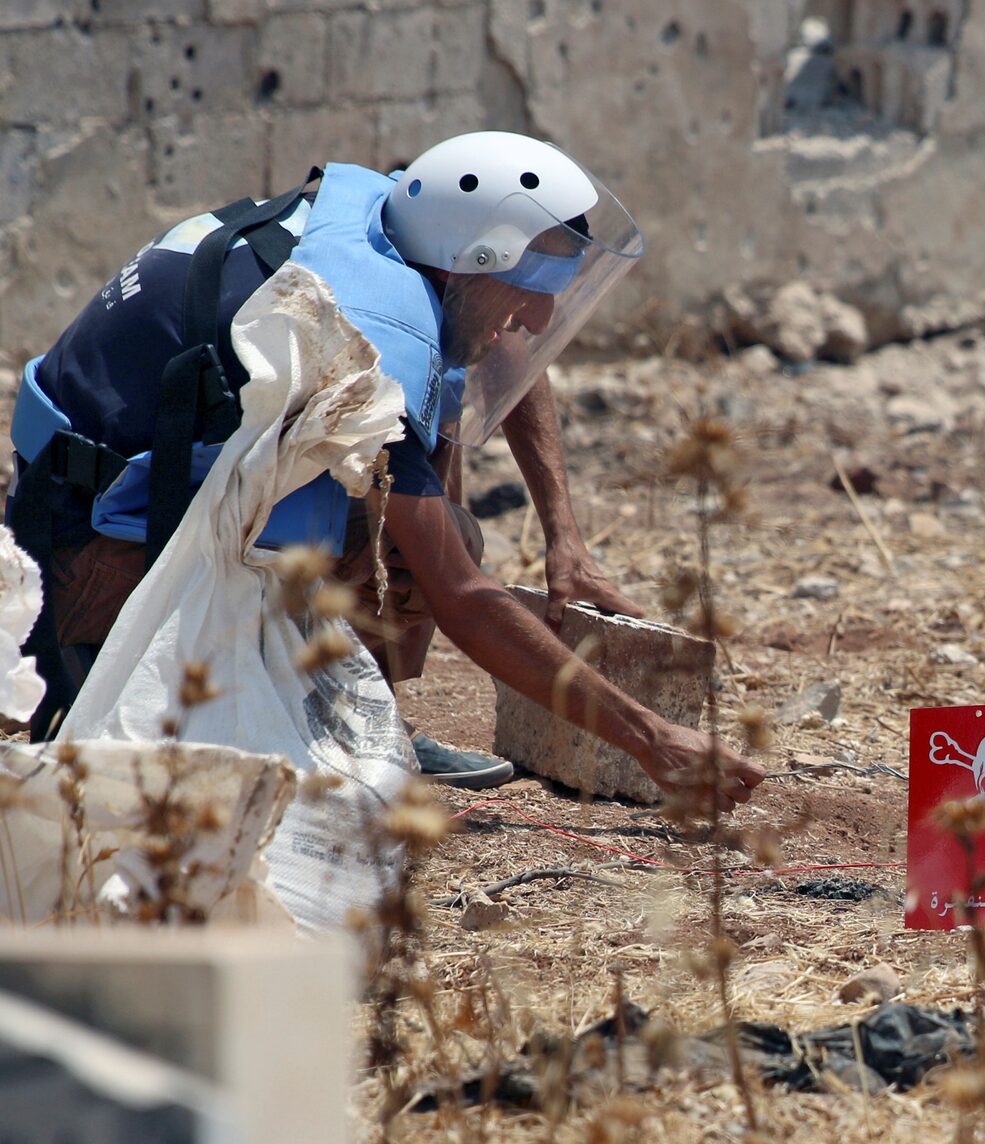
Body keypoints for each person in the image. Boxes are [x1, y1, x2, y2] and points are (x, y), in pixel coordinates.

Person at [5, 131, 763, 808]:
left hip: (93, 491)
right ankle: (300, 713)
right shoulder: (356, 339)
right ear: (469, 262)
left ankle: (365, 713)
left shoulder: (392, 225)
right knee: (431, 547)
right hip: (85, 559)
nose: (536, 321)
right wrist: (653, 740)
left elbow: (505, 351)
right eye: (527, 295)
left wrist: (566, 538)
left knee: (437, 498)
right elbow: (462, 599)